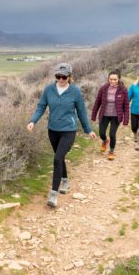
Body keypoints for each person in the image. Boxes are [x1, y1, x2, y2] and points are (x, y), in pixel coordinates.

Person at [27, 62, 97, 208]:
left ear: (70, 77)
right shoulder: (49, 90)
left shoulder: (75, 92)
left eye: (63, 77)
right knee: (60, 158)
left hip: (68, 130)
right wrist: (33, 121)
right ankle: (65, 180)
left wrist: (88, 129)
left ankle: (53, 194)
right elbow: (41, 107)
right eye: (58, 76)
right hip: (53, 129)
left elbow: (82, 112)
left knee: (57, 158)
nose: (60, 79)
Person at [91, 70, 129, 161]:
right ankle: (105, 141)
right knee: (101, 133)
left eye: (115, 79)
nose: (113, 81)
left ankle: (111, 151)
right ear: (108, 79)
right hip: (104, 114)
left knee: (112, 134)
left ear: (119, 79)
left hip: (116, 116)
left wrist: (126, 121)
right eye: (111, 79)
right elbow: (97, 102)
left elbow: (126, 106)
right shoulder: (103, 88)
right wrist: (93, 115)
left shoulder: (123, 89)